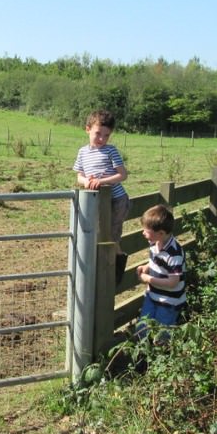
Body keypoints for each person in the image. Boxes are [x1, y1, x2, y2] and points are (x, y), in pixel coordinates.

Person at [73, 109, 130, 282]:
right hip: (97, 201)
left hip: (116, 200)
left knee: (111, 236)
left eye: (106, 136)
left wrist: (103, 181)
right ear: (87, 129)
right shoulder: (83, 152)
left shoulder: (110, 151)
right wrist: (87, 182)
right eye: (98, 134)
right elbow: (79, 176)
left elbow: (122, 175)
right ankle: (103, 271)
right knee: (97, 234)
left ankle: (114, 274)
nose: (101, 139)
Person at [135, 205, 187, 344]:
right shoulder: (154, 243)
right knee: (142, 327)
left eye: (147, 231)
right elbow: (157, 262)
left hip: (168, 301)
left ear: (161, 233)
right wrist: (147, 267)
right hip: (152, 295)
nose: (143, 233)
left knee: (162, 332)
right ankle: (143, 355)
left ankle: (161, 356)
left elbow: (173, 282)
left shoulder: (174, 253)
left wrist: (148, 279)